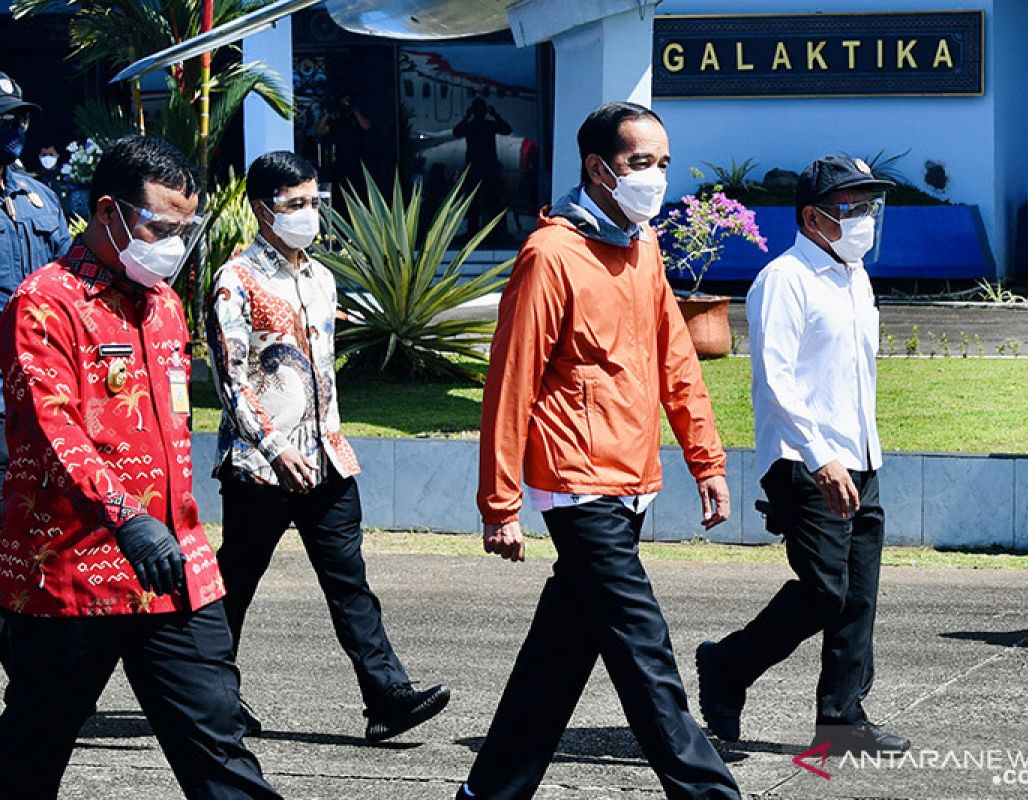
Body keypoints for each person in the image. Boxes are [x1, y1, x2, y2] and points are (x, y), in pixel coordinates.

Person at [459, 101, 741, 800]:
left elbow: (676, 360)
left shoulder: (641, 245)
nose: (656, 177)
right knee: (647, 656)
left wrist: (705, 460)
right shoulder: (550, 255)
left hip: (630, 478)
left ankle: (487, 793)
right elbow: (511, 379)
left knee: (556, 659)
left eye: (663, 163)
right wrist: (500, 502)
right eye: (641, 163)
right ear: (598, 168)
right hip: (577, 486)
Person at [0, 134, 280, 799]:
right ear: (107, 212)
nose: (174, 243)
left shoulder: (163, 305)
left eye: (187, 228)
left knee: (219, 748)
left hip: (172, 568)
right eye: (160, 225)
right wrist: (127, 517)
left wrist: (160, 531)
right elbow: (49, 426)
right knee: (31, 751)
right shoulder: (45, 303)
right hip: (68, 571)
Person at [206, 150, 450, 743]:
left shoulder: (320, 277)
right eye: (295, 205)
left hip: (327, 458)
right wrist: (271, 446)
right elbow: (230, 378)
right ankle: (211, 700)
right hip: (260, 468)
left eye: (315, 202)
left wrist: (319, 441)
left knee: (349, 583)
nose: (309, 214)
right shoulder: (235, 281)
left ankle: (387, 697)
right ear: (263, 210)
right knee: (233, 586)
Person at [694, 155, 911, 758]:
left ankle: (841, 718)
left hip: (860, 457)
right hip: (804, 461)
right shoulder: (784, 279)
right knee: (823, 590)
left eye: (871, 205)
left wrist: (863, 452)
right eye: (853, 206)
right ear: (814, 217)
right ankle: (727, 664)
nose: (867, 217)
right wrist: (820, 457)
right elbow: (776, 380)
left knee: (857, 594)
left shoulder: (854, 276)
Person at [0, 69, 70, 673]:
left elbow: (64, 287)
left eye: (18, 117)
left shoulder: (40, 198)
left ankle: (35, 670)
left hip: (39, 399)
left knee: (36, 536)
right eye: (4, 118)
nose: (14, 128)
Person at [452, 97, 512, 235]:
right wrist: (496, 115)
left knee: (474, 202)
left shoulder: (470, 126)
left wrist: (466, 117)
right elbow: (507, 129)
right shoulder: (489, 125)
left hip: (475, 168)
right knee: (490, 201)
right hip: (488, 168)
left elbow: (456, 132)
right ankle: (492, 231)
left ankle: (472, 231)